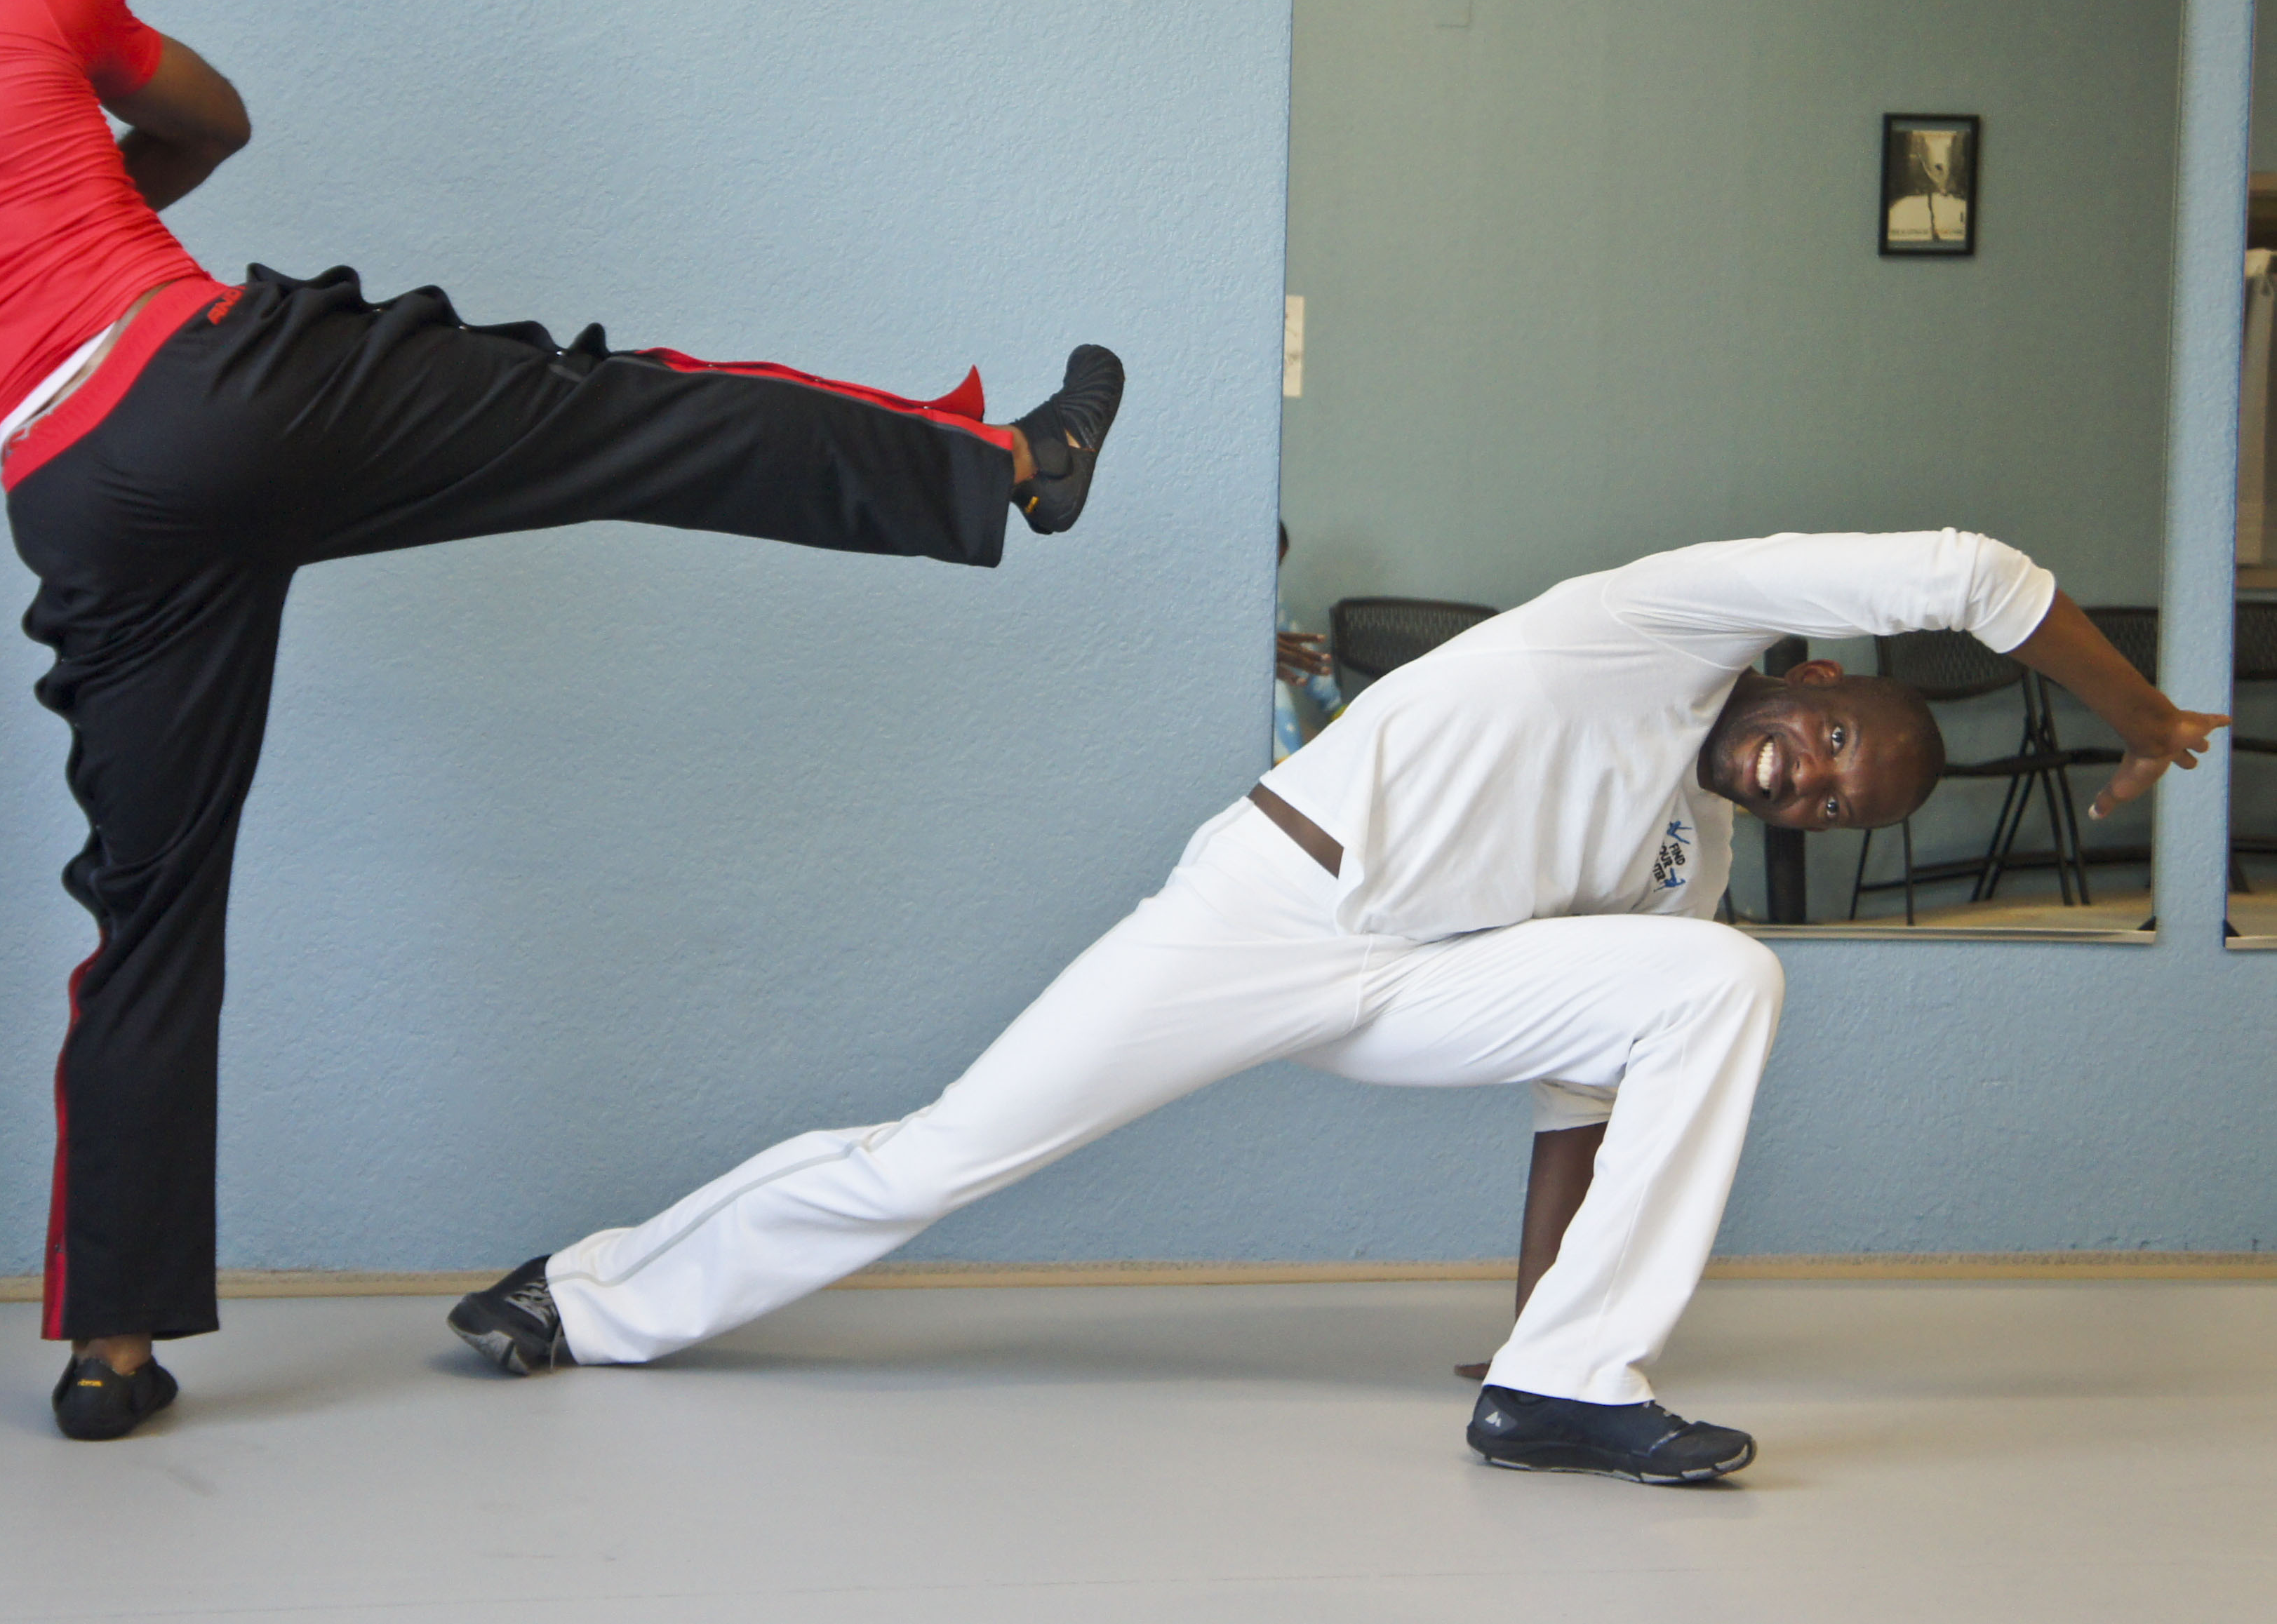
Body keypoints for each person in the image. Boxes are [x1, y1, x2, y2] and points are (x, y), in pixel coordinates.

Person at [0, 0, 1126, 1442]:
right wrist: (61, 193)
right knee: (612, 407)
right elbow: (212, 118)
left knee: (142, 912)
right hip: (217, 385)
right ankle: (1001, 465)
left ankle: (109, 1346)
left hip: (76, 498)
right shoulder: (38, 3)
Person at [449, 530, 2224, 1483]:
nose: (1806, 779)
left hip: (1410, 982)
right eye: (1832, 741)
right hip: (1263, 904)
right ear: (1815, 672)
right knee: (939, 1157)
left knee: (1720, 978)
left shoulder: (1685, 856)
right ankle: (585, 1298)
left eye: (1832, 801)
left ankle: (1556, 1388)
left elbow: (1575, 1101)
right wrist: (2139, 719)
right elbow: (1985, 574)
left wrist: (1533, 1312)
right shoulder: (1660, 618)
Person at [1271, 520, 1340, 761]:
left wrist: (1334, 702)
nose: (1274, 569)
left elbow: (1295, 639)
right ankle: (1288, 761)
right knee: (1271, 688)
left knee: (1301, 653)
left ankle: (1337, 708)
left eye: (1277, 564)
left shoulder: (1271, 590)